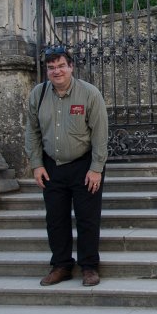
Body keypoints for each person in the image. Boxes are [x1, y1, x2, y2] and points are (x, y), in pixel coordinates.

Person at [25, 45, 109, 286]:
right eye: (51, 67)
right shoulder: (38, 94)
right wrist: (36, 164)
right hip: (51, 166)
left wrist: (96, 169)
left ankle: (89, 267)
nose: (57, 71)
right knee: (56, 219)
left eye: (61, 66)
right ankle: (61, 265)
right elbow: (32, 131)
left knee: (87, 218)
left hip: (85, 165)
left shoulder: (89, 94)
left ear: (71, 67)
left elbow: (100, 134)